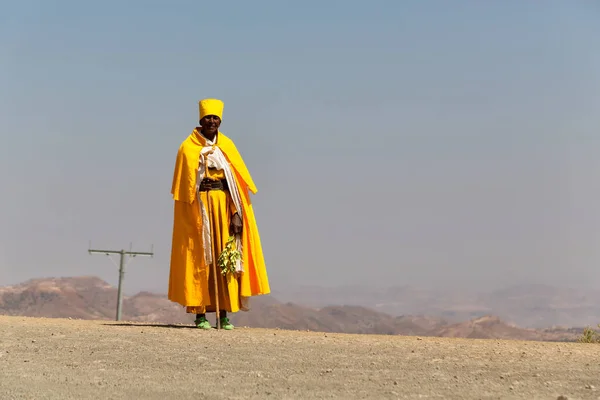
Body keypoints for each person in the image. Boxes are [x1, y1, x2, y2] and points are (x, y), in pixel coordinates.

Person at [168, 98, 270, 330]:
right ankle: (200, 314)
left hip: (223, 207)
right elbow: (183, 188)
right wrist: (197, 186)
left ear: (220, 121)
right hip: (199, 211)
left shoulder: (227, 147)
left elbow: (236, 183)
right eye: (208, 118)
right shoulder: (187, 148)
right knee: (202, 260)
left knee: (226, 259)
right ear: (200, 120)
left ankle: (224, 314)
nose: (212, 122)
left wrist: (237, 214)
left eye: (215, 118)